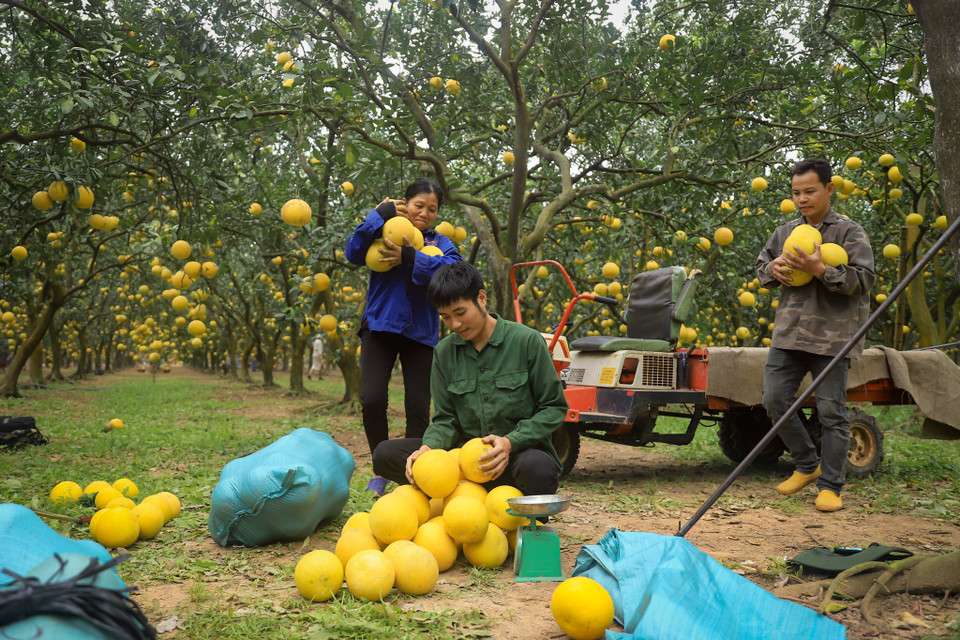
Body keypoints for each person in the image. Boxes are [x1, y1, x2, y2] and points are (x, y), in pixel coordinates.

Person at [372, 261, 569, 496]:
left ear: (482, 298)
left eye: (460, 313)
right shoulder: (444, 353)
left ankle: (517, 508)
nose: (454, 324)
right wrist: (428, 448)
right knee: (385, 454)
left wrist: (510, 441)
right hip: (463, 459)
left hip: (517, 454)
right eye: (445, 318)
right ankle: (451, 493)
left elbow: (553, 407)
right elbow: (446, 419)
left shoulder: (526, 342)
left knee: (538, 468)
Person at [756, 158, 875, 512]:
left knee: (831, 413)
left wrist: (822, 270)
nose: (802, 199)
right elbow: (762, 266)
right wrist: (772, 268)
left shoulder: (850, 233)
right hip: (789, 334)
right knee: (774, 400)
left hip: (833, 338)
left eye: (809, 191)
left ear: (829, 189)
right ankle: (808, 464)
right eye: (796, 193)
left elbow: (864, 280)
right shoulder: (785, 232)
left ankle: (831, 486)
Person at [345, 178, 462, 494]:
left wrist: (410, 258)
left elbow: (453, 275)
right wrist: (377, 215)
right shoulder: (385, 230)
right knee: (371, 400)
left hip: (421, 334)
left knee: (417, 406)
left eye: (432, 209)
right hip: (380, 327)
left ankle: (414, 473)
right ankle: (381, 469)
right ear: (405, 204)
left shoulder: (441, 243)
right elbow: (353, 254)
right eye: (418, 205)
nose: (424, 213)